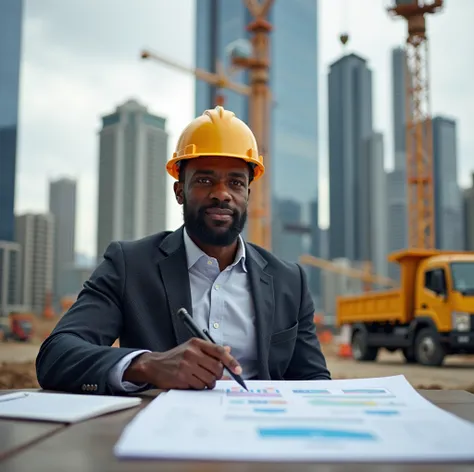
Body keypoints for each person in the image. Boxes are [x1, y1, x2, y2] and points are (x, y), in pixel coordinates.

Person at [36, 105, 331, 395]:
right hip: (161, 433)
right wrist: (146, 364)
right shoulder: (130, 266)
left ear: (248, 195)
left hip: (258, 434)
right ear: (180, 192)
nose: (221, 194)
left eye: (236, 182)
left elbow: (314, 381)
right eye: (204, 180)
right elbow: (57, 355)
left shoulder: (289, 280)